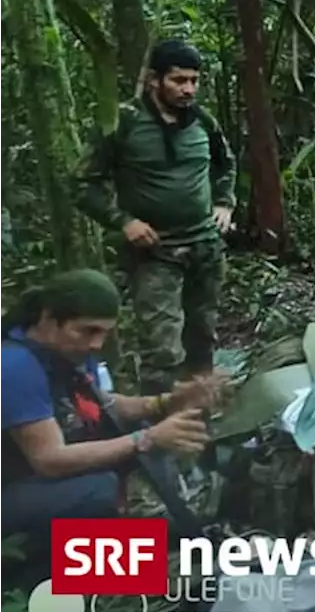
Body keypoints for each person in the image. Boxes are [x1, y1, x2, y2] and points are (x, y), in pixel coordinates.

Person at [0, 270, 217, 581]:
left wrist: (167, 402)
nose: (96, 343)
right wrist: (146, 438)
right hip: (13, 489)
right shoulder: (13, 366)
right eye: (87, 331)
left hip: (31, 483)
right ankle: (41, 575)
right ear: (49, 318)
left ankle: (156, 547)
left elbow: (101, 404)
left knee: (137, 435)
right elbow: (49, 460)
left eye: (104, 333)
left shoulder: (63, 350)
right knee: (98, 490)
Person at [74, 39, 236, 396]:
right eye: (179, 80)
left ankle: (200, 424)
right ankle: (161, 433)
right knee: (162, 352)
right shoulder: (123, 123)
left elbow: (226, 165)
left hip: (205, 248)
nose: (188, 89)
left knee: (203, 338)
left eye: (194, 80)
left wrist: (224, 203)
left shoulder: (203, 122)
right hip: (155, 253)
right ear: (153, 80)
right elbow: (83, 184)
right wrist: (123, 221)